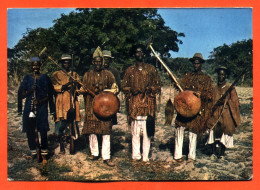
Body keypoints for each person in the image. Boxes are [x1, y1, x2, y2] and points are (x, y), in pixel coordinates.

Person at [121, 44, 161, 163]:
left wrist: (150, 89)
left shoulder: (151, 69)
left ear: (144, 54)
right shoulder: (130, 70)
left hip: (148, 104)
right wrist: (131, 90)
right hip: (134, 104)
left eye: (141, 52)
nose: (139, 54)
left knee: (147, 132)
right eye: (137, 52)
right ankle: (136, 156)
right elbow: (123, 86)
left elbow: (158, 85)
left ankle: (145, 157)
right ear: (134, 54)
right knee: (135, 132)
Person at [80, 47, 118, 167]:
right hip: (91, 106)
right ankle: (94, 153)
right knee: (92, 130)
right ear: (93, 62)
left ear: (102, 62)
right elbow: (82, 89)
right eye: (95, 62)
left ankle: (106, 156)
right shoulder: (87, 75)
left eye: (100, 62)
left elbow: (115, 88)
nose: (98, 64)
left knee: (106, 131)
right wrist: (81, 90)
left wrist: (105, 92)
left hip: (105, 107)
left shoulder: (109, 74)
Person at [174, 53, 213, 163]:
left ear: (201, 64)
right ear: (192, 64)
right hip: (184, 108)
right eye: (194, 63)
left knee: (193, 132)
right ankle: (177, 155)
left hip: (196, 110)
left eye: (198, 63)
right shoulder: (187, 76)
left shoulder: (206, 79)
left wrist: (201, 94)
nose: (196, 65)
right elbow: (181, 90)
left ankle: (191, 156)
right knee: (179, 128)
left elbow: (210, 95)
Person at [18, 57, 55, 158]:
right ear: (31, 66)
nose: (35, 67)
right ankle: (33, 149)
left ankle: (44, 149)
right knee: (30, 129)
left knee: (43, 129)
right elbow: (21, 94)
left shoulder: (45, 77)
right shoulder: (27, 78)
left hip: (42, 107)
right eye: (33, 65)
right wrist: (30, 91)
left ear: (40, 66)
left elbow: (50, 94)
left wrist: (40, 101)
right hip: (29, 107)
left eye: (37, 65)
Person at [206, 66, 241, 159]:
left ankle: (221, 154)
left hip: (226, 113)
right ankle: (213, 152)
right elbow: (210, 100)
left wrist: (226, 101)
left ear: (226, 75)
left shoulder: (230, 88)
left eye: (222, 74)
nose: (220, 76)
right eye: (219, 74)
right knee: (212, 130)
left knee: (225, 132)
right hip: (215, 113)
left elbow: (235, 102)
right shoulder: (214, 87)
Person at [51, 54, 81, 154]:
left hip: (72, 100)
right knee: (60, 124)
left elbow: (79, 87)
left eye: (68, 62)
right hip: (61, 101)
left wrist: (74, 85)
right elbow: (53, 87)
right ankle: (61, 145)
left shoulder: (74, 74)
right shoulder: (56, 74)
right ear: (61, 63)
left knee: (72, 122)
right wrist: (63, 87)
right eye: (64, 62)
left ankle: (73, 142)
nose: (66, 64)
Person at [102, 50, 121, 125]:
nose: (106, 61)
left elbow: (118, 86)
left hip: (111, 99)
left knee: (110, 121)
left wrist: (112, 93)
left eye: (108, 59)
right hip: (99, 99)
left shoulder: (114, 71)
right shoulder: (97, 71)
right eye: (104, 59)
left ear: (110, 60)